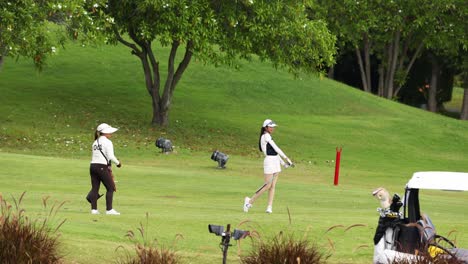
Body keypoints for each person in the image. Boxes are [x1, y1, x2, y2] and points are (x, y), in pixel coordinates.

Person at [243, 119, 293, 214]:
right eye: (271, 127)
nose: (272, 128)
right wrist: (287, 158)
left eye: (273, 127)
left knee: (273, 186)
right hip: (269, 162)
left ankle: (269, 207)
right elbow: (277, 149)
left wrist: (283, 163)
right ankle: (249, 202)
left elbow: (275, 154)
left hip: (275, 163)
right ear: (265, 127)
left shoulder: (269, 136)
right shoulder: (265, 136)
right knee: (267, 185)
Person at [87, 123, 122, 215]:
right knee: (110, 188)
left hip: (93, 166)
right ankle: (109, 210)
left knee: (95, 188)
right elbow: (110, 156)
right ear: (105, 133)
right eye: (110, 132)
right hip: (101, 167)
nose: (111, 134)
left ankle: (94, 210)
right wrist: (118, 163)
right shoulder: (108, 142)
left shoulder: (95, 142)